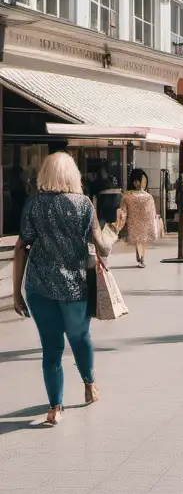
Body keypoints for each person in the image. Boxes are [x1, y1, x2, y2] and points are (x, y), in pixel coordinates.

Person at [11, 152, 111, 426]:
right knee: (80, 338)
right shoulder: (84, 205)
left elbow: (21, 248)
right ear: (73, 175)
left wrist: (16, 292)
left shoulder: (33, 205)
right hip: (75, 286)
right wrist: (115, 229)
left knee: (51, 347)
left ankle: (55, 406)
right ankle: (90, 383)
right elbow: (102, 248)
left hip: (39, 286)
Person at [116, 169, 158, 267]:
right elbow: (152, 211)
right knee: (142, 240)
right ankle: (141, 258)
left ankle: (141, 258)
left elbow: (123, 211)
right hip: (143, 222)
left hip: (135, 222)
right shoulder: (148, 196)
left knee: (139, 240)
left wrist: (120, 223)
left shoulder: (128, 196)